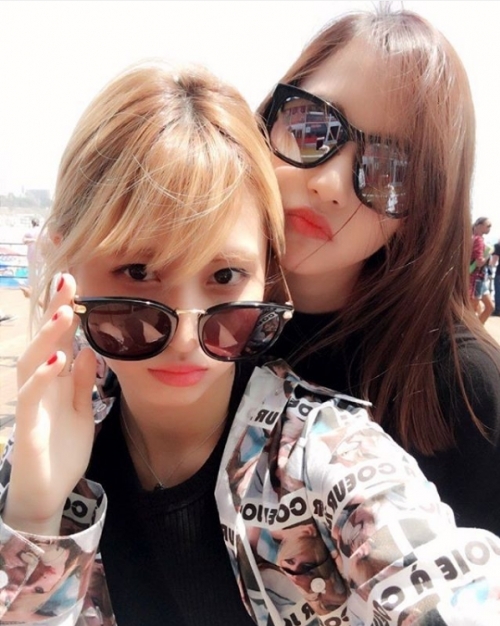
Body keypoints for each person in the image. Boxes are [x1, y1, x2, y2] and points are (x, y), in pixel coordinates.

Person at [1, 62, 500, 626]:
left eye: (224, 276)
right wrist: (34, 515)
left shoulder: (324, 456)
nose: (185, 337)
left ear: (266, 273)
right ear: (67, 260)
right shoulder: (46, 438)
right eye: (138, 272)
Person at [258, 6, 500, 536]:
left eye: (392, 172)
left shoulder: (466, 391)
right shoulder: (188, 321)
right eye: (312, 126)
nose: (329, 183)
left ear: (427, 210)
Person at [470, 217, 494, 323]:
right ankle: (473, 329)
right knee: (474, 309)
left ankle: (476, 329)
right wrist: (489, 253)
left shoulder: (473, 238)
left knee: (489, 307)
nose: (489, 228)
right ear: (479, 226)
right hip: (477, 278)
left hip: (478, 278)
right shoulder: (478, 239)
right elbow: (479, 262)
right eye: (488, 226)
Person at [21, 217, 41, 298]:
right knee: (40, 274)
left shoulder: (29, 232)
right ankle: (39, 290)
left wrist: (32, 240)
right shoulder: (42, 231)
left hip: (31, 256)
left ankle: (32, 289)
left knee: (32, 274)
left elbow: (23, 240)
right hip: (41, 256)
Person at [491, 238, 500, 316]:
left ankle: (498, 310)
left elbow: (494, 259)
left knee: (498, 292)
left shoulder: (498, 246)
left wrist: (490, 266)